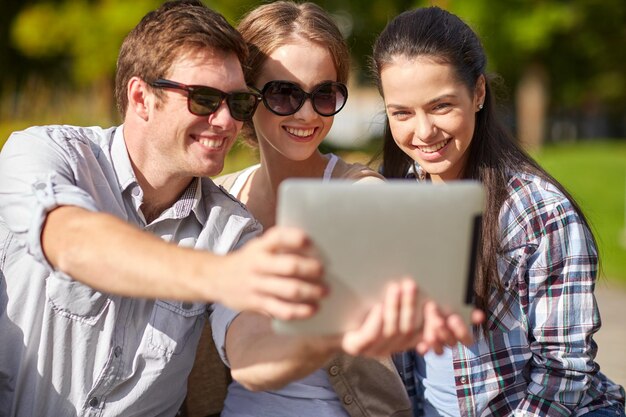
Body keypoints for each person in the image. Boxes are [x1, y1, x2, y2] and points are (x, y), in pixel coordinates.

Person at [0, 1, 334, 415]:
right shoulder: (47, 154)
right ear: (141, 97)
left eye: (240, 103)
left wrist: (331, 334)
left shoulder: (230, 228)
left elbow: (250, 352)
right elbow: (72, 242)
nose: (227, 121)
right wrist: (221, 276)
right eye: (205, 99)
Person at [183, 3, 479, 417]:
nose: (306, 113)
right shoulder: (223, 195)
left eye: (324, 94)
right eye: (284, 93)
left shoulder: (359, 195)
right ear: (248, 96)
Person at [371, 6, 626, 417]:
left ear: (478, 93)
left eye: (440, 106)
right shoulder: (386, 194)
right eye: (401, 112)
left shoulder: (538, 212)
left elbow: (563, 374)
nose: (422, 132)